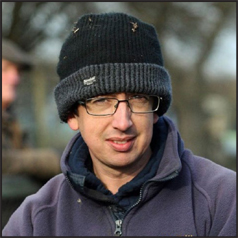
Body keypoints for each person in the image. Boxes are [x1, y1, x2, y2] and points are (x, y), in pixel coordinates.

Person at [2, 13, 236, 236]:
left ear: (157, 110)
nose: (123, 122)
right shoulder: (35, 221)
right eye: (101, 100)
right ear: (72, 115)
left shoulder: (222, 200)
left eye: (138, 98)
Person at [2, 39, 61, 228]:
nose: (15, 79)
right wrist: (55, 160)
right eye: (5, 69)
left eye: (17, 71)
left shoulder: (11, 122)